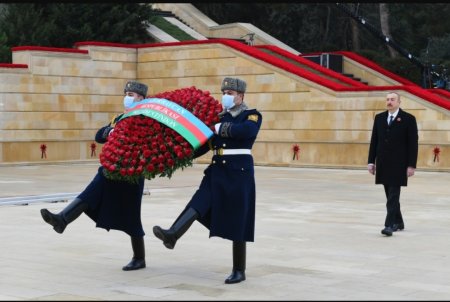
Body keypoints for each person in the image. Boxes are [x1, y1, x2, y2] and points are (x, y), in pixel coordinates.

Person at [152, 77, 262, 284]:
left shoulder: (251, 115)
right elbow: (202, 145)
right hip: (217, 170)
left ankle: (239, 269)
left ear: (241, 96)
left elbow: (246, 132)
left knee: (239, 219)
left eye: (231, 93)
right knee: (199, 201)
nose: (226, 96)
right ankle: (173, 234)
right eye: (224, 92)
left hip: (239, 172)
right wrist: (173, 156)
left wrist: (219, 128)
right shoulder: (217, 118)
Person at [40, 80, 150, 270]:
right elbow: (99, 136)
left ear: (141, 98)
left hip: (131, 173)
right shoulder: (119, 118)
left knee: (132, 217)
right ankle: (62, 219)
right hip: (109, 169)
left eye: (131, 95)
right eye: (126, 94)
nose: (127, 97)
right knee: (89, 195)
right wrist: (111, 131)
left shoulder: (146, 120)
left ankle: (139, 258)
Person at [367, 91, 418, 237]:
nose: (389, 102)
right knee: (389, 194)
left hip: (399, 164)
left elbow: (413, 144)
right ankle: (399, 221)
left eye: (393, 99)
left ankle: (389, 225)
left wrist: (411, 165)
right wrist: (371, 161)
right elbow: (374, 141)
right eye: (388, 99)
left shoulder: (408, 119)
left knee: (393, 195)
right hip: (383, 163)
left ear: (399, 102)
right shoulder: (379, 118)